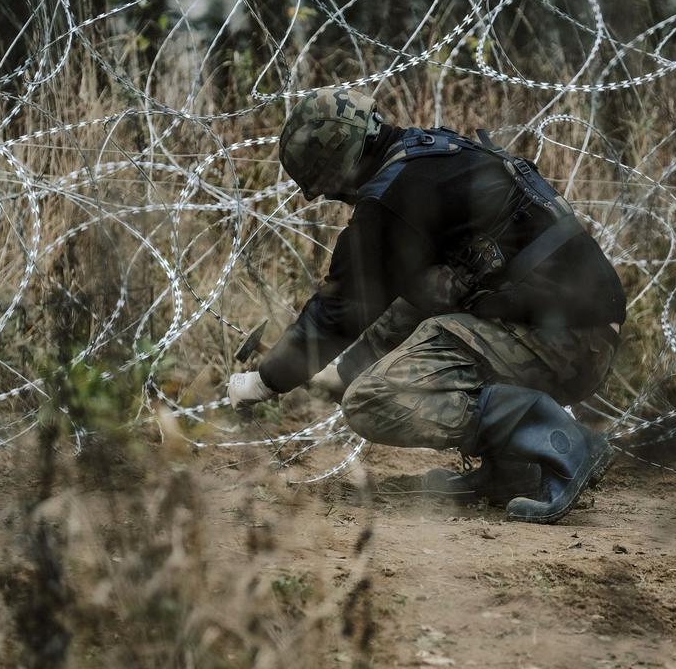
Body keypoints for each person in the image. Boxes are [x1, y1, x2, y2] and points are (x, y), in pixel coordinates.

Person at [228, 88, 626, 524]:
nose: (333, 199)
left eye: (328, 187)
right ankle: (512, 473)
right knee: (407, 341)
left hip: (564, 339)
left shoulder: (393, 201)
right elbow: (411, 302)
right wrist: (342, 372)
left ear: (340, 162)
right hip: (579, 330)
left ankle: (562, 441)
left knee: (373, 399)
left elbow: (337, 311)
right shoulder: (429, 157)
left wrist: (264, 383)